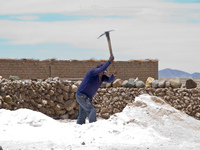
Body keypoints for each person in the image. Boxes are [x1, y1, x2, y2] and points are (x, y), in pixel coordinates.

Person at [76, 55, 116, 125]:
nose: (103, 73)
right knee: (92, 110)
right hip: (81, 95)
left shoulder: (102, 77)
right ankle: (93, 126)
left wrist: (113, 75)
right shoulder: (92, 72)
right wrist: (109, 61)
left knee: (82, 114)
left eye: (104, 72)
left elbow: (109, 80)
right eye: (102, 71)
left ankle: (79, 126)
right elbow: (100, 70)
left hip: (86, 97)